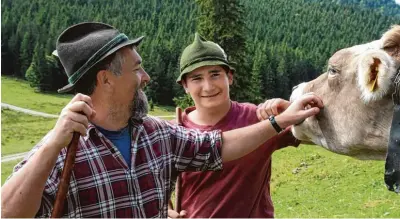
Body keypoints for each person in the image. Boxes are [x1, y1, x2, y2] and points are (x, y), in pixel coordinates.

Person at [1, 22, 323, 218]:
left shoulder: (156, 133)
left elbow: (218, 146)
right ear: (106, 80)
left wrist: (279, 121)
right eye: (137, 68)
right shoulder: (61, 150)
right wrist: (50, 148)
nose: (147, 77)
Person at [167, 33, 318, 218]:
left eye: (215, 74)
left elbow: (315, 135)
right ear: (185, 85)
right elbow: (155, 182)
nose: (208, 86)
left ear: (229, 77)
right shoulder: (175, 132)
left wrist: (289, 111)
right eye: (197, 78)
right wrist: (165, 209)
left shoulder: (258, 118)